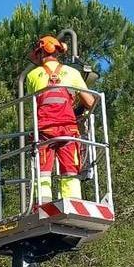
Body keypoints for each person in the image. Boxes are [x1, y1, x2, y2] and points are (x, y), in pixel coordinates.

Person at [25, 35, 96, 201]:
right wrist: (78, 110)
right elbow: (90, 102)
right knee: (70, 170)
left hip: (43, 130)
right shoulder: (72, 73)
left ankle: (43, 203)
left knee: (43, 171)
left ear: (41, 53)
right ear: (58, 53)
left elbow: (34, 103)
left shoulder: (32, 76)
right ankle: (72, 202)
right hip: (67, 129)